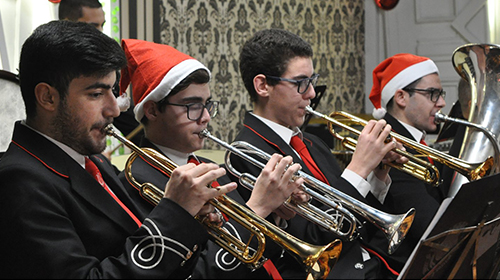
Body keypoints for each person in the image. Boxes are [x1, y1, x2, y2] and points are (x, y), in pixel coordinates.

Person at [0, 20, 236, 278]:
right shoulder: (19, 179)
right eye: (96, 94)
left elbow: (135, 241)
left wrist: (193, 220)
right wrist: (176, 214)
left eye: (113, 91)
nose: (114, 109)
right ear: (47, 97)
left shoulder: (95, 163)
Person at [117, 38, 308, 279]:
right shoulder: (136, 182)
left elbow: (253, 253)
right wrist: (258, 208)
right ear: (153, 110)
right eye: (192, 106)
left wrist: (276, 212)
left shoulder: (210, 168)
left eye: (207, 105)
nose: (206, 117)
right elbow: (193, 273)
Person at [233, 28, 407, 279]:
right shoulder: (247, 154)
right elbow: (311, 240)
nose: (312, 94)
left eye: (312, 81)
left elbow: (358, 224)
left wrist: (377, 173)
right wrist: (358, 169)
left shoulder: (313, 142)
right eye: (301, 83)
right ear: (262, 86)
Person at [368, 53, 447, 270]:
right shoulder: (388, 142)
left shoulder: (415, 139)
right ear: (401, 97)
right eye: (433, 94)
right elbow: (429, 224)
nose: (442, 103)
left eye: (441, 94)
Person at [58, 0, 144, 147]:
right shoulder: (50, 63)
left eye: (102, 25)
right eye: (93, 26)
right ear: (67, 23)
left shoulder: (104, 68)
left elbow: (128, 122)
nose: (100, 33)